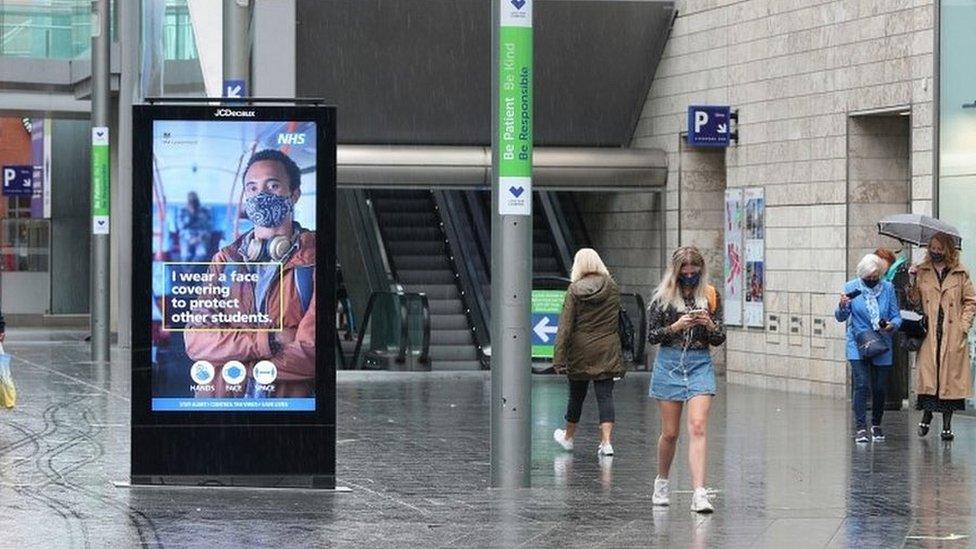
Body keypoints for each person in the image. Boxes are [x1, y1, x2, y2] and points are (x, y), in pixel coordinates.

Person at [185, 149, 316, 398]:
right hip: (220, 408)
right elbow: (195, 342)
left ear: (294, 195)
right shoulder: (225, 259)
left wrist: (229, 360)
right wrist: (270, 340)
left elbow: (311, 354)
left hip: (285, 409)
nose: (261, 195)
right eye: (252, 188)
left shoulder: (312, 259)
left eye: (273, 185)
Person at [647, 246, 725, 514]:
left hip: (699, 362)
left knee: (698, 426)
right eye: (685, 271)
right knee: (670, 433)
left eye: (694, 272)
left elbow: (719, 337)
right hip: (669, 363)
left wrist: (709, 324)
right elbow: (652, 336)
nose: (690, 276)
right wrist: (676, 326)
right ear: (676, 271)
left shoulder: (711, 295)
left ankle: (699, 493)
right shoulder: (663, 298)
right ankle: (662, 481)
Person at [552, 248, 625, 457]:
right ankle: (607, 443)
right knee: (605, 396)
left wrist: (558, 358)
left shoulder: (574, 290)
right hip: (607, 347)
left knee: (576, 396)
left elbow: (565, 326)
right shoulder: (612, 287)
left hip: (580, 349)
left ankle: (568, 437)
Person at [909, 232, 976, 440]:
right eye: (932, 248)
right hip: (930, 332)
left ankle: (947, 425)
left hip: (952, 332)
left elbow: (971, 301)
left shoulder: (960, 273)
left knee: (950, 381)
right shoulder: (923, 271)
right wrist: (911, 280)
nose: (935, 252)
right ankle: (927, 416)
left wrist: (964, 326)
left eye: (939, 249)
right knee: (931, 378)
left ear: (947, 250)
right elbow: (914, 301)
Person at [835, 254, 902, 444]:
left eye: (876, 276)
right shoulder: (851, 287)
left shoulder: (888, 288)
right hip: (858, 342)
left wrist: (891, 325)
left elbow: (897, 316)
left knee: (880, 388)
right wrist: (842, 305)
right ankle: (861, 428)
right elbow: (840, 317)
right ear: (862, 274)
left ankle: (876, 424)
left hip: (882, 342)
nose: (873, 280)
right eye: (869, 277)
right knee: (862, 384)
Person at [177, 191, 213, 261]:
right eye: (190, 201)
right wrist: (190, 216)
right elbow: (180, 227)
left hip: (201, 236)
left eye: (194, 201)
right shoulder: (182, 211)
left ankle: (192, 270)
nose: (193, 204)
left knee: (201, 254)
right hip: (186, 236)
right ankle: (186, 270)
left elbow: (208, 227)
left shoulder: (205, 211)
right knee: (185, 255)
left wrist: (198, 238)